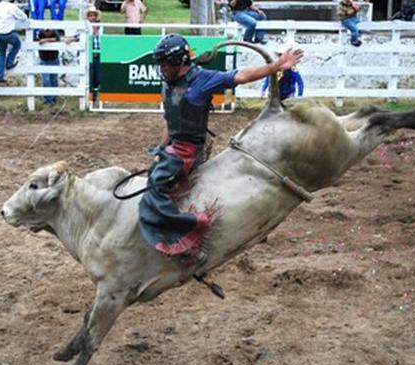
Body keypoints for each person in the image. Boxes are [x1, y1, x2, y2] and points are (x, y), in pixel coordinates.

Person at [138, 33, 303, 263]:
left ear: (179, 62)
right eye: (160, 64)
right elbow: (169, 121)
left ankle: (191, 229)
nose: (162, 68)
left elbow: (241, 76)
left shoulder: (203, 80)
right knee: (154, 174)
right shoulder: (169, 85)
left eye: (165, 63)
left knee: (155, 189)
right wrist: (161, 150)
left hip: (188, 151)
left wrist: (277, 65)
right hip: (175, 148)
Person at [66, 5, 101, 102]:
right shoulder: (84, 26)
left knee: (97, 77)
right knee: (88, 75)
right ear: (88, 17)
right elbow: (77, 36)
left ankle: (94, 95)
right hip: (86, 54)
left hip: (97, 54)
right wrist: (72, 39)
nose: (92, 17)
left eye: (94, 15)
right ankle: (88, 97)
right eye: (90, 15)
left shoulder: (100, 27)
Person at [0, 0, 28, 84]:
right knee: (17, 45)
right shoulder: (12, 7)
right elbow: (24, 17)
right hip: (8, 33)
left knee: (1, 54)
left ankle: (0, 77)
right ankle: (9, 63)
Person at [38, 28, 60, 105]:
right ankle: (48, 100)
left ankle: (53, 99)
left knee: (54, 79)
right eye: (45, 31)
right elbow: (36, 41)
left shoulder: (55, 32)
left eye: (49, 31)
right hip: (44, 59)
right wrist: (49, 40)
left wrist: (45, 40)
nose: (47, 32)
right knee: (46, 80)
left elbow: (57, 39)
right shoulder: (40, 33)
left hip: (54, 58)